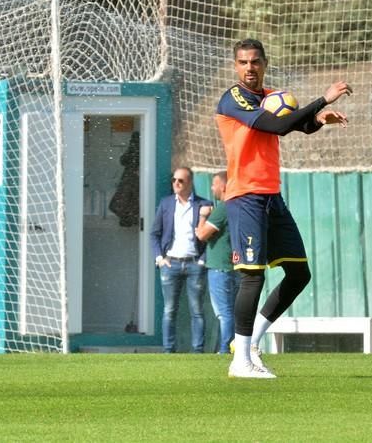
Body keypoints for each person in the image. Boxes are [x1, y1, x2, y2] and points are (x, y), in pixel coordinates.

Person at [215, 38, 352, 378]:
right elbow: (275, 125)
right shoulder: (232, 99)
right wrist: (322, 98)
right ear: (236, 66)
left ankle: (250, 345)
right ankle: (239, 361)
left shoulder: (271, 96)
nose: (250, 68)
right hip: (245, 195)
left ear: (264, 63)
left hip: (271, 196)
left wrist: (319, 119)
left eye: (255, 62)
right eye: (244, 62)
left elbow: (294, 125)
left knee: (299, 274)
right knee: (252, 276)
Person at [150, 167, 213, 353]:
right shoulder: (166, 204)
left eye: (181, 181)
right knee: (169, 310)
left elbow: (213, 236)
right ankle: (168, 350)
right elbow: (155, 233)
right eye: (174, 180)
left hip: (195, 263)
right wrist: (159, 258)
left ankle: (198, 351)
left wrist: (203, 260)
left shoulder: (204, 204)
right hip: (171, 263)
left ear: (190, 183)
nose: (176, 183)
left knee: (197, 311)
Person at [195, 171, 241, 354]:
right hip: (234, 267)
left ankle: (225, 349)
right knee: (234, 311)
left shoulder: (223, 208)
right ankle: (237, 347)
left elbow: (201, 234)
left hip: (220, 268)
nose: (212, 188)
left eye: (214, 184)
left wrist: (203, 216)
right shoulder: (237, 206)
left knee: (224, 312)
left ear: (223, 186)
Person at [109, 131, 140, 227]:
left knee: (127, 197)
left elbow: (123, 160)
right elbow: (123, 160)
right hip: (132, 178)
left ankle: (130, 218)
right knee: (130, 198)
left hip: (130, 178)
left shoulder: (134, 150)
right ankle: (131, 218)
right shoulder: (138, 150)